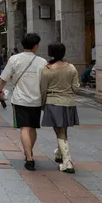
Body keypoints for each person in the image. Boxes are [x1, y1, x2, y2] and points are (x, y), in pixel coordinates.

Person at [0, 33, 47, 171]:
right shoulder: (42, 62)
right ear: (36, 46)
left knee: (24, 128)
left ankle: (29, 157)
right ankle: (29, 152)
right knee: (32, 128)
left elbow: (4, 78)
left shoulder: (14, 59)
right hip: (36, 100)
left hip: (20, 99)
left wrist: (0, 91)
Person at [40, 42, 81, 174]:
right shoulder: (72, 68)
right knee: (63, 129)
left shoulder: (47, 69)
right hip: (69, 102)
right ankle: (60, 153)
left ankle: (67, 162)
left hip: (53, 101)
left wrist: (42, 103)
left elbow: (43, 89)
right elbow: (76, 88)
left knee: (60, 130)